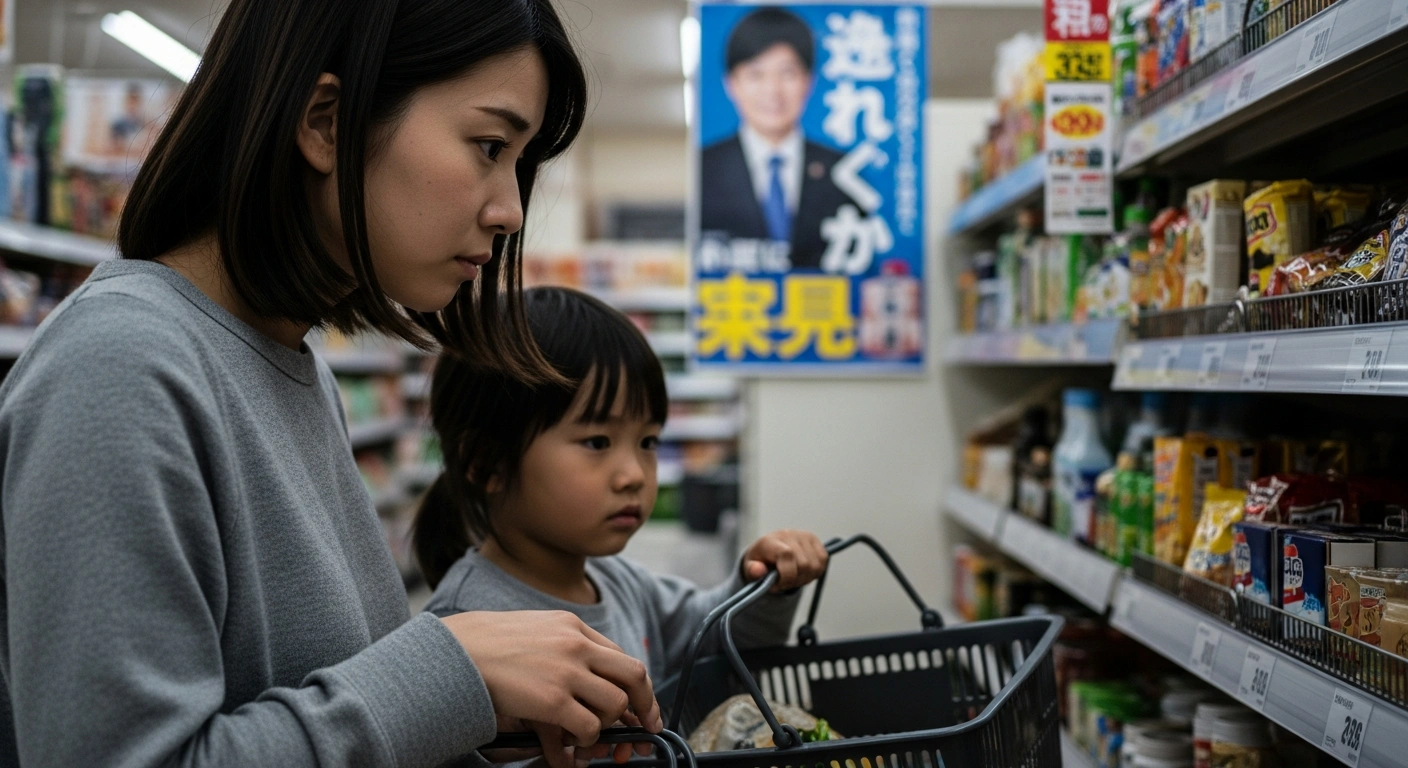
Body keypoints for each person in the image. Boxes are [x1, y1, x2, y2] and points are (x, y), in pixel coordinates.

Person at [0, 2, 664, 767]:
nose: (511, 209)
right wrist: (452, 672)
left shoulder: (290, 363)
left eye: (518, 162)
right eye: (488, 145)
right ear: (325, 122)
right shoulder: (120, 365)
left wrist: (481, 721)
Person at [414, 287, 829, 697]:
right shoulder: (463, 629)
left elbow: (713, 643)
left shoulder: (621, 583)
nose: (634, 475)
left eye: (647, 441)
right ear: (486, 462)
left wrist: (763, 585)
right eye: (597, 442)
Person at [699, 6, 862, 271]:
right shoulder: (703, 168)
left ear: (808, 81)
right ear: (732, 84)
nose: (772, 90)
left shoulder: (845, 171)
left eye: (787, 73)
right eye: (756, 74)